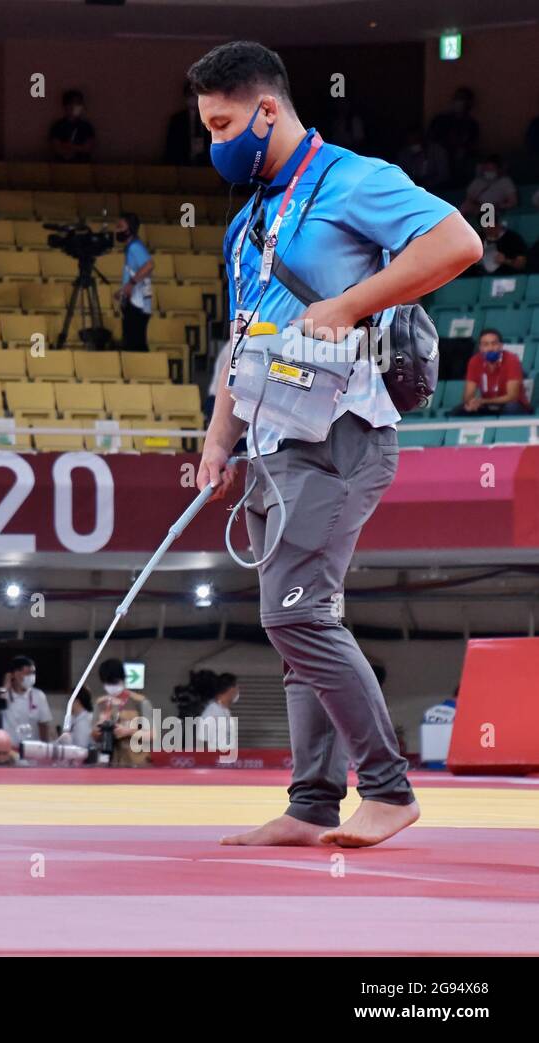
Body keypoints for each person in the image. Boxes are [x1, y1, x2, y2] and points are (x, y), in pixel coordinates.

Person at [191, 40, 481, 847]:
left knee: (296, 617)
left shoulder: (357, 178)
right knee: (299, 628)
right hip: (267, 443)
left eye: (223, 125)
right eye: (207, 129)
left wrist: (350, 303)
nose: (216, 144)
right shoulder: (249, 216)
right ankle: (312, 801)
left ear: (268, 110)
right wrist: (220, 437)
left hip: (341, 434)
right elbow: (242, 336)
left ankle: (388, 789)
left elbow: (459, 244)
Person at [452, 329, 529, 416]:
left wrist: (483, 401)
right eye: (485, 345)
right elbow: (468, 394)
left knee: (511, 408)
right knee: (459, 411)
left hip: (512, 405)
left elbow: (512, 396)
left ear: (501, 346)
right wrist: (471, 403)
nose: (490, 348)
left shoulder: (512, 360)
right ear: (480, 348)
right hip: (487, 405)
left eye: (494, 344)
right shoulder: (475, 361)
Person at [94, 659, 151, 767]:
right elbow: (93, 735)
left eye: (114, 682)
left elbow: (153, 734)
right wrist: (100, 730)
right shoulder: (100, 704)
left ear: (122, 679)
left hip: (135, 763)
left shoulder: (140, 702)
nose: (111, 686)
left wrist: (128, 732)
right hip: (108, 762)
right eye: (107, 682)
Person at [114, 213, 153, 351]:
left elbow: (149, 265)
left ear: (129, 229)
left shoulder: (135, 247)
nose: (116, 230)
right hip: (134, 302)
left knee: (135, 345)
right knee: (132, 343)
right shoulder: (131, 248)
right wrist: (123, 291)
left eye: (120, 226)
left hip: (138, 305)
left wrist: (130, 284)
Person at [426, 86, 479, 187]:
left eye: (463, 99)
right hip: (438, 156)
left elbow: (470, 144)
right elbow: (432, 138)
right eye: (457, 98)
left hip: (458, 158)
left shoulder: (471, 124)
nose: (459, 102)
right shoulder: (441, 120)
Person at [0, 656, 53, 743]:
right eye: (27, 673)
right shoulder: (5, 695)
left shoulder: (38, 695)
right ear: (14, 674)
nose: (31, 677)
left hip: (32, 748)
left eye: (33, 673)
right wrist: (6, 686)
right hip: (10, 748)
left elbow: (44, 724)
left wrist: (45, 746)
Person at [164, 82, 210, 167]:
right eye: (190, 95)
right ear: (186, 96)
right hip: (183, 165)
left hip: (207, 166)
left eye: (196, 95)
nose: (194, 98)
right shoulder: (177, 120)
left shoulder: (209, 119)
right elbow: (171, 147)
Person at [395, 127, 450, 193]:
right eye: (411, 141)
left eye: (417, 140)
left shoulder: (438, 151)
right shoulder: (404, 153)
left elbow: (444, 175)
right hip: (411, 189)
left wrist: (427, 184)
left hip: (436, 190)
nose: (414, 143)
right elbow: (399, 173)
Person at [49, 90, 95, 164]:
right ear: (65, 106)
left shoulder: (86, 126)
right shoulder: (58, 126)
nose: (75, 107)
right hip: (61, 166)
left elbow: (88, 147)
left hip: (82, 166)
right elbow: (56, 148)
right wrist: (78, 148)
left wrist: (71, 147)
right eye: (72, 103)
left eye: (78, 103)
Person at [196, 672, 239, 747]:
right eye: (236, 687)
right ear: (230, 689)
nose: (237, 691)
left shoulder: (225, 711)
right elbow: (203, 742)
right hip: (215, 757)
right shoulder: (211, 712)